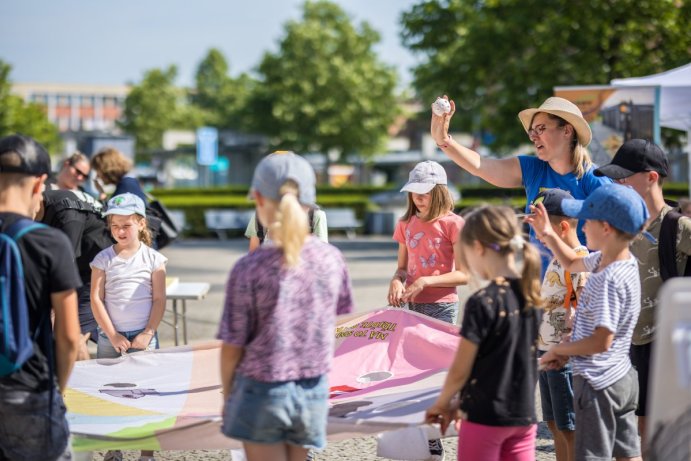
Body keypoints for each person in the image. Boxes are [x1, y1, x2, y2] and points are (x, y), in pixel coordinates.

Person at [218, 152, 354, 461]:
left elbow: (232, 346)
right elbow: (338, 320)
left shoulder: (248, 268)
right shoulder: (332, 260)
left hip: (261, 391)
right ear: (311, 199)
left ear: (257, 198)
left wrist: (228, 397)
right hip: (313, 391)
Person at [530, 183, 648, 461]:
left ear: (605, 227)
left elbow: (600, 340)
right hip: (621, 377)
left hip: (597, 384)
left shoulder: (606, 279)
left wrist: (560, 350)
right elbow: (571, 262)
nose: (582, 228)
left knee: (591, 456)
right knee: (628, 453)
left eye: (588, 222)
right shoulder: (616, 261)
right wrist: (547, 234)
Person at [431, 96, 610, 272]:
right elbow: (481, 166)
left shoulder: (594, 179)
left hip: (580, 288)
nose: (533, 137)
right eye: (532, 131)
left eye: (541, 129)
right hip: (540, 288)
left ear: (567, 131)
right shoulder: (533, 168)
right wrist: (444, 141)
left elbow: (617, 236)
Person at [593, 139, 691, 446]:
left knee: (655, 435)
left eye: (624, 176)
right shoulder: (622, 227)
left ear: (651, 178)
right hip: (628, 343)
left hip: (664, 344)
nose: (617, 183)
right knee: (633, 433)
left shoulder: (678, 226)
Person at [425, 205, 543, 461]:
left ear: (478, 247)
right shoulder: (532, 296)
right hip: (523, 416)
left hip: (485, 417)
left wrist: (443, 402)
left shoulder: (482, 302)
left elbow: (460, 369)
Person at [0, 134, 82, 461]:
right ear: (40, 184)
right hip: (29, 388)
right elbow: (69, 337)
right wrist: (56, 392)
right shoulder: (49, 243)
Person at [90, 193, 167, 461]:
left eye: (126, 225)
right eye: (114, 226)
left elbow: (159, 300)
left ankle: (147, 453)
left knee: (146, 395)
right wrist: (112, 334)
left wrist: (147, 333)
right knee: (110, 394)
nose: (120, 231)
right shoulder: (103, 259)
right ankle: (115, 449)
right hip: (109, 337)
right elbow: (96, 299)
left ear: (141, 224)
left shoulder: (154, 259)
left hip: (144, 337)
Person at [530, 189, 589, 461]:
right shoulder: (557, 257)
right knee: (553, 423)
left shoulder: (579, 260)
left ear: (562, 227)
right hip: (546, 351)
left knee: (568, 426)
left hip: (563, 356)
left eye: (543, 230)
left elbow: (583, 305)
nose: (539, 236)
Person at [42, 152, 113, 360]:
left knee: (75, 332)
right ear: (66, 164)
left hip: (92, 270)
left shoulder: (69, 206)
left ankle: (80, 384)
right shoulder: (46, 192)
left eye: (85, 175)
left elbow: (65, 262)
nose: (80, 177)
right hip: (82, 267)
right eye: (78, 171)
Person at [388, 160, 468, 325]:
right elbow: (402, 269)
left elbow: (464, 275)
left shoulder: (454, 223)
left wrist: (424, 281)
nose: (417, 197)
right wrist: (396, 280)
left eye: (424, 192)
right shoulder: (404, 224)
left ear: (439, 192)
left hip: (443, 306)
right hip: (411, 304)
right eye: (413, 191)